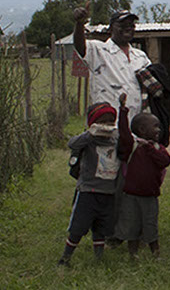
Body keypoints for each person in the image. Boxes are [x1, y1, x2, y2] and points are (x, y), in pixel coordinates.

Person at [59, 102, 122, 266]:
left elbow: (129, 144)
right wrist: (90, 133)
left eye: (110, 122)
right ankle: (66, 258)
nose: (106, 126)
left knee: (101, 227)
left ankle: (99, 258)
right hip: (88, 190)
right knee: (78, 227)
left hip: (108, 191)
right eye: (103, 122)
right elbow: (72, 144)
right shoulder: (89, 139)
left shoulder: (115, 138)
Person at [115, 94, 170, 258]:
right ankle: (133, 253)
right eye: (155, 127)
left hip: (150, 196)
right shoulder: (132, 146)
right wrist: (123, 111)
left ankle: (156, 253)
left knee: (150, 224)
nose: (158, 130)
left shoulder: (157, 148)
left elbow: (165, 161)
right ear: (141, 130)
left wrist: (149, 148)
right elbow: (124, 133)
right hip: (131, 196)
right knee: (132, 225)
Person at [72, 5, 150, 123]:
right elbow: (80, 46)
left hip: (135, 124)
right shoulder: (98, 50)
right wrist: (79, 24)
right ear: (110, 29)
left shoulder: (140, 57)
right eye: (123, 25)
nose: (128, 28)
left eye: (131, 25)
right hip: (107, 124)